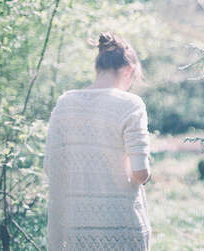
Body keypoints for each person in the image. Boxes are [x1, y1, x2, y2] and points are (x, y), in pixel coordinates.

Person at [43, 31, 152, 250]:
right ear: (129, 71)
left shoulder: (65, 103)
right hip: (121, 225)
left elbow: (51, 166)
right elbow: (140, 174)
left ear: (97, 68)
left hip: (75, 226)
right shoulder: (131, 104)